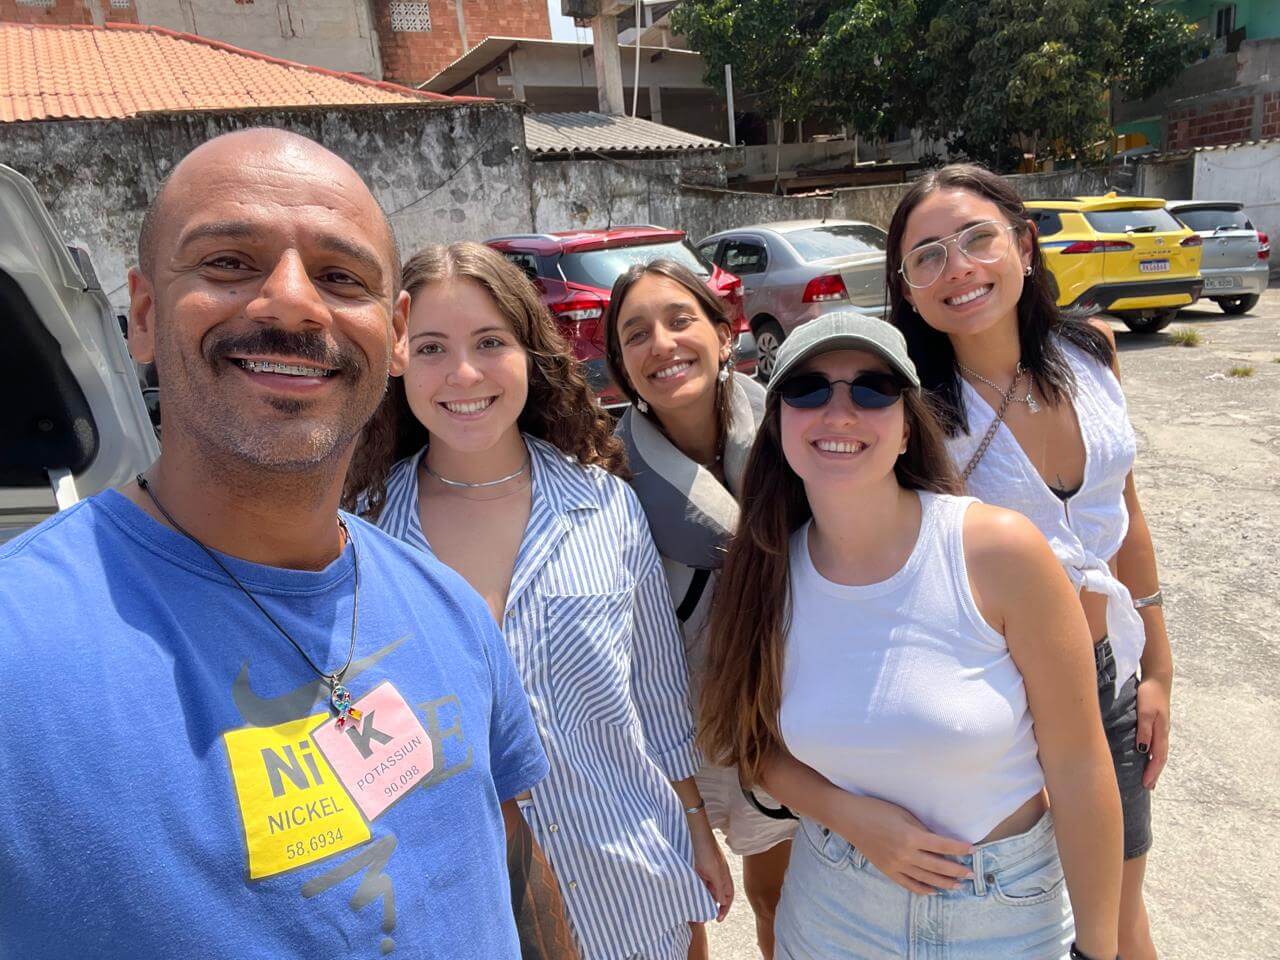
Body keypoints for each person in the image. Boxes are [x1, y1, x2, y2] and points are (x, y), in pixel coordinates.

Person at [0, 129, 572, 960]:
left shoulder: (447, 607)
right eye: (229, 262)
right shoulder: (18, 645)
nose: (294, 302)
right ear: (145, 316)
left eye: (342, 278)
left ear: (394, 333)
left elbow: (511, 866)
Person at [343, 241, 733, 960]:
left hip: (632, 892)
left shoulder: (605, 505)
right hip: (467, 915)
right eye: (431, 347)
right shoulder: (360, 539)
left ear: (531, 353)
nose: (464, 373)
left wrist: (695, 827)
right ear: (397, 360)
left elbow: (655, 695)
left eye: (490, 342)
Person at [700, 312, 1124, 960]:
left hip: (1006, 916)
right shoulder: (763, 572)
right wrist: (850, 818)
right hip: (832, 910)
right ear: (778, 422)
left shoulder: (998, 551)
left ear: (906, 428)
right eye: (808, 389)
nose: (839, 412)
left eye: (873, 389)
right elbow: (751, 744)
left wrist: (1100, 951)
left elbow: (1079, 765)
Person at [886, 163, 1172, 960]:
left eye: (977, 239)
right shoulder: (911, 410)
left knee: (1121, 918)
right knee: (1023, 925)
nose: (959, 268)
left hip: (1107, 674)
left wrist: (1158, 669)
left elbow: (1126, 517)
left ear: (1023, 244)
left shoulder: (1091, 350)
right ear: (908, 290)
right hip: (997, 701)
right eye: (928, 256)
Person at [602, 259, 795, 960]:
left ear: (724, 332)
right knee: (685, 908)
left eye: (680, 320)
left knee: (779, 899)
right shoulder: (605, 473)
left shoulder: (791, 431)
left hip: (781, 710)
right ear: (622, 366)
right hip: (672, 727)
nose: (661, 344)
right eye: (635, 334)